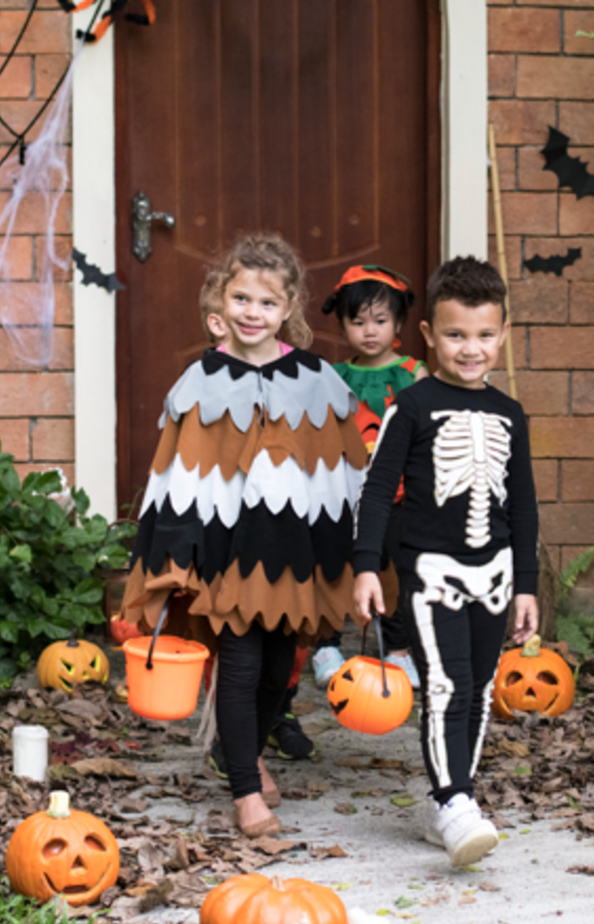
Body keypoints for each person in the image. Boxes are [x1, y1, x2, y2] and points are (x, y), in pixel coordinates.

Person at [118, 232, 371, 838]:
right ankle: (244, 794)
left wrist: (355, 557)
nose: (251, 312)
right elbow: (173, 474)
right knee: (239, 663)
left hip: (289, 554)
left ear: (287, 310)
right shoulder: (200, 381)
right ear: (219, 301)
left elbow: (341, 476)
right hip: (225, 553)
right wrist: (172, 557)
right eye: (240, 298)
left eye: (265, 302)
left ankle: (246, 754)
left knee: (278, 667)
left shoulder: (315, 380)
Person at [350, 256, 539, 867]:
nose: (471, 349)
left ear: (503, 334)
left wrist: (527, 586)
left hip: (497, 571)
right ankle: (456, 798)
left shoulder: (511, 413)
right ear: (429, 335)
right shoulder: (413, 406)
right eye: (456, 335)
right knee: (444, 684)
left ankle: (448, 802)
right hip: (430, 571)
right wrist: (365, 568)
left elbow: (525, 506)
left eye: (485, 335)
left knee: (480, 688)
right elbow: (378, 490)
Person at [308, 264, 426, 694]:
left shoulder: (415, 374)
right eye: (358, 322)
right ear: (342, 324)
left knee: (396, 570)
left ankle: (396, 650)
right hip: (344, 494)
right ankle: (326, 646)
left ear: (398, 323)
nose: (369, 331)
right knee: (334, 566)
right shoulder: (335, 377)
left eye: (380, 321)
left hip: (397, 496)